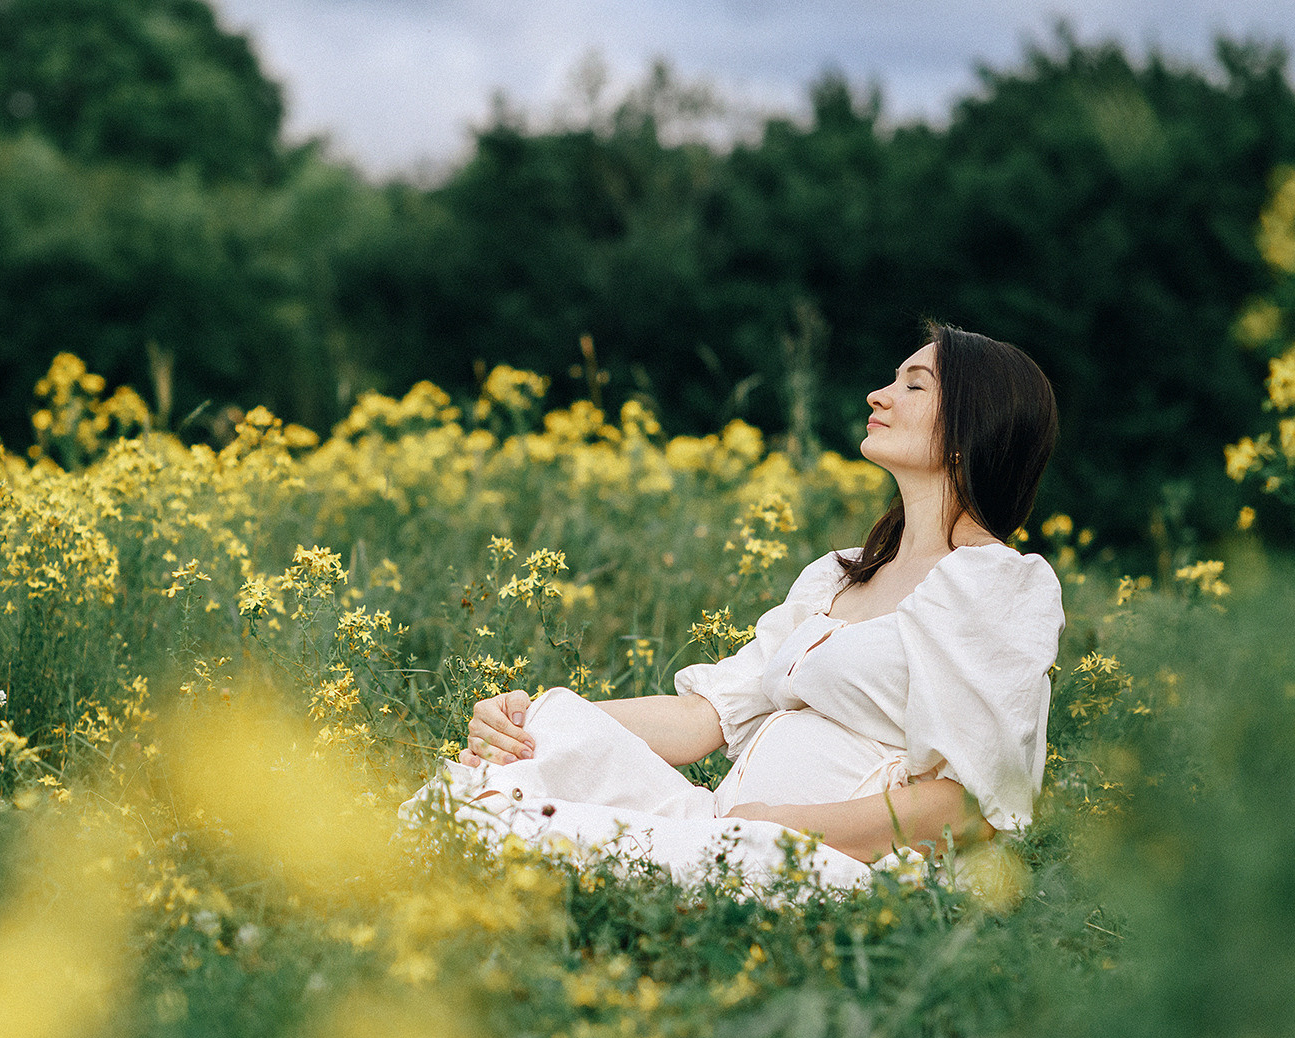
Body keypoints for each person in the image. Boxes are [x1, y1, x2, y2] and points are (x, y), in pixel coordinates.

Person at [407, 322, 1065, 890]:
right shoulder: (838, 576)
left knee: (516, 825)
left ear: (973, 426)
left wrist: (788, 828)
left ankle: (471, 848)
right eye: (892, 379)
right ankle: (473, 835)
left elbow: (970, 808)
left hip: (825, 859)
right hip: (724, 827)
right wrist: (527, 724)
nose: (879, 395)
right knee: (545, 733)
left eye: (914, 386)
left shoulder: (996, 585)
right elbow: (703, 718)